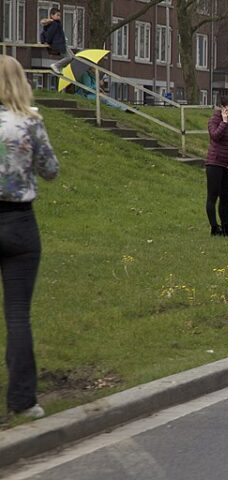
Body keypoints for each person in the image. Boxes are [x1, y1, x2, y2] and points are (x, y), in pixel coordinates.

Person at [0, 55, 60, 419]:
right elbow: (51, 170)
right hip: (20, 223)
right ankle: (22, 400)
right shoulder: (30, 123)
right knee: (18, 315)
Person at [206, 97, 228, 236]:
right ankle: (215, 227)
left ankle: (226, 226)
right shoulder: (214, 120)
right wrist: (224, 122)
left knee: (225, 197)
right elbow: (215, 136)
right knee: (212, 196)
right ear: (223, 107)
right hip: (215, 163)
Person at [39, 8, 72, 74]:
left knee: (72, 57)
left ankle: (60, 67)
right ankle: (56, 65)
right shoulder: (54, 24)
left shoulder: (56, 23)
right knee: (69, 57)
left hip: (62, 43)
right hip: (59, 44)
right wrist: (47, 42)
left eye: (60, 15)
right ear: (52, 15)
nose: (59, 17)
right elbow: (49, 34)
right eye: (57, 15)